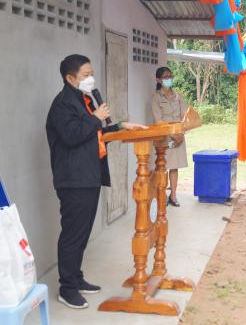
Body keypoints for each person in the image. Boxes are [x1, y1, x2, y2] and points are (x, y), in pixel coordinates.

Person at [46, 54, 146, 309]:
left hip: (89, 176)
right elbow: (71, 136)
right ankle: (66, 289)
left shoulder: (83, 100)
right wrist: (97, 117)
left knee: (82, 233)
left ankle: (76, 278)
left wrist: (122, 126)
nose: (90, 79)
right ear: (70, 78)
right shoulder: (62, 105)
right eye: (85, 75)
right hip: (73, 180)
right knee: (72, 234)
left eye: (91, 73)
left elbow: (96, 133)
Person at [152, 67, 188, 207]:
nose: (169, 79)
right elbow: (158, 120)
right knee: (163, 167)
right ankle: (162, 195)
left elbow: (185, 116)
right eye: (165, 77)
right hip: (164, 137)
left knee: (175, 166)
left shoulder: (178, 95)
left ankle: (173, 196)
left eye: (170, 76)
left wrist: (180, 134)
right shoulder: (156, 97)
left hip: (179, 135)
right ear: (158, 80)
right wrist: (172, 135)